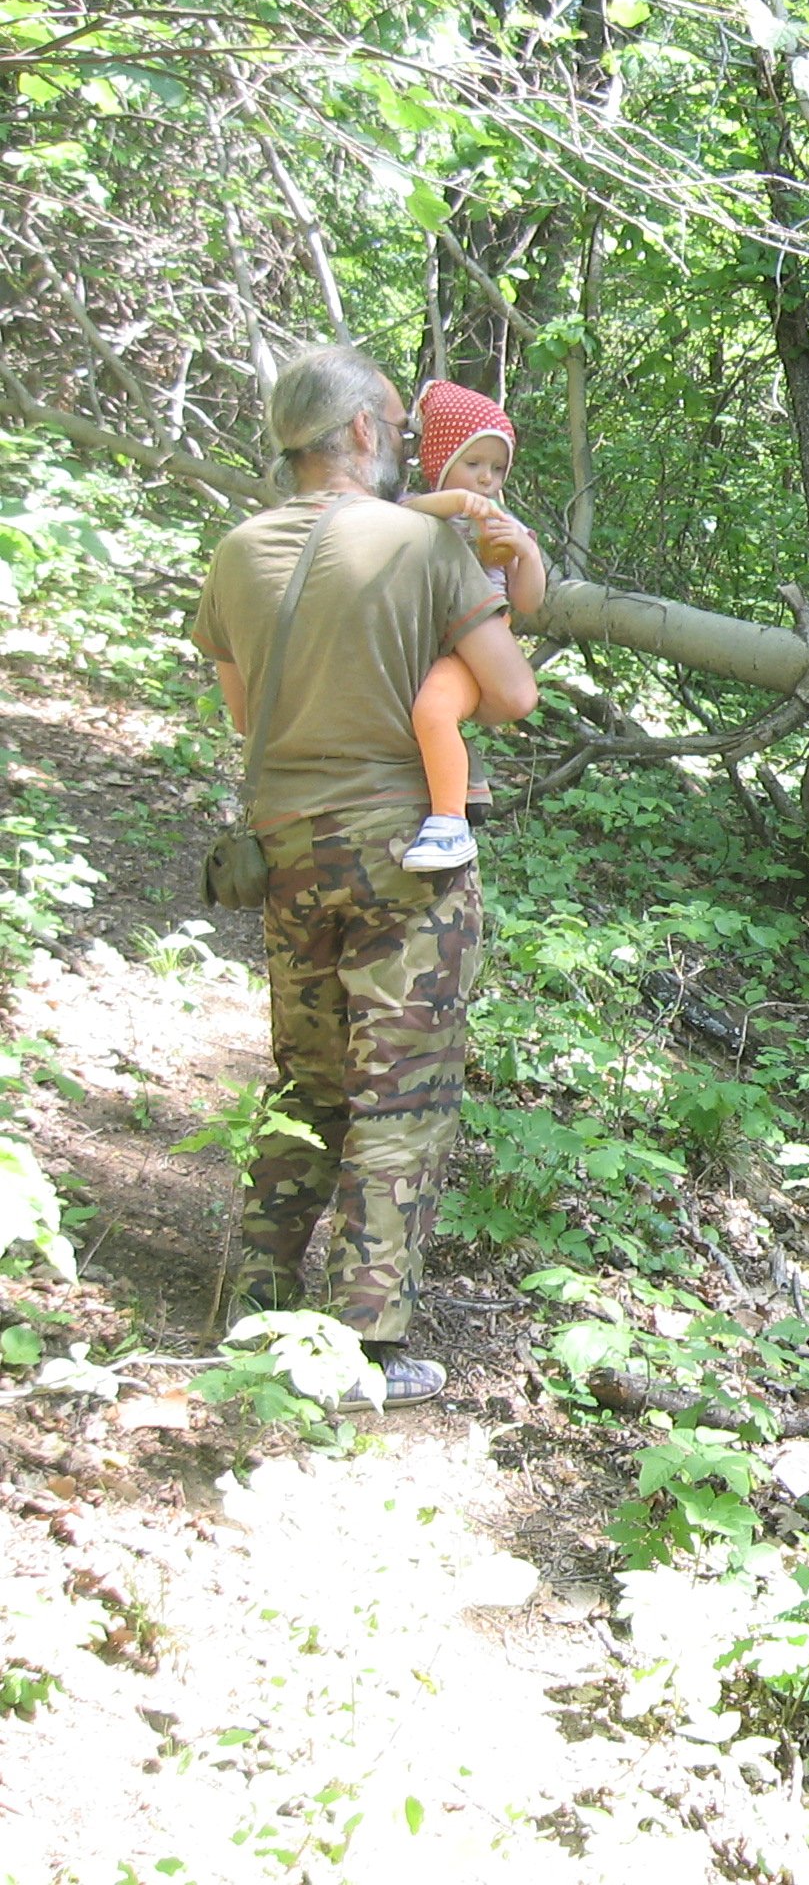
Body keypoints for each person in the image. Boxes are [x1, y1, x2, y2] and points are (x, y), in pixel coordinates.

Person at [191, 345, 539, 1406]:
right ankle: (361, 1348)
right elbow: (513, 694)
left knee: (308, 1079)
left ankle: (253, 1302)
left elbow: (246, 713)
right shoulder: (420, 542)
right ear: (354, 432)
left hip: (286, 850)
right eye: (394, 424)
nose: (401, 441)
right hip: (402, 856)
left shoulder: (237, 553)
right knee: (404, 1093)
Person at [398, 380, 547, 872]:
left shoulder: (502, 523)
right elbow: (404, 512)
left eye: (497, 468)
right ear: (441, 462)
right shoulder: (423, 510)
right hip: (423, 640)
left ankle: (448, 824)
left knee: (435, 709)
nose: (486, 478)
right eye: (474, 463)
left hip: (472, 645)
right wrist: (455, 502)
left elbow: (527, 602)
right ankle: (463, 778)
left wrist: (527, 552)